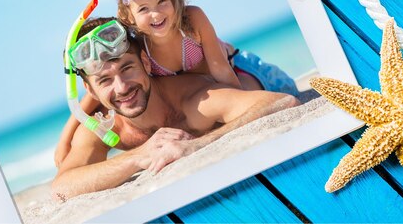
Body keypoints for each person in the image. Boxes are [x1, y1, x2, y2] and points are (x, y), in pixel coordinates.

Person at [54, 0, 298, 166]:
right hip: (204, 87)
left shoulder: (191, 19)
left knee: (263, 98)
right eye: (144, 9)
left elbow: (220, 68)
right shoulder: (140, 45)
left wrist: (233, 105)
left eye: (162, 2)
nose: (156, 14)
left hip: (240, 70)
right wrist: (65, 140)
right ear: (128, 16)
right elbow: (94, 94)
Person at [51, 18, 299, 199]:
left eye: (128, 69)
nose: (122, 87)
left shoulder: (195, 101)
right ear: (90, 90)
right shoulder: (104, 126)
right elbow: (61, 187)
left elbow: (284, 101)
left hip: (250, 72)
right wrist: (140, 156)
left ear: (145, 62)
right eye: (104, 81)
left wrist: (196, 145)